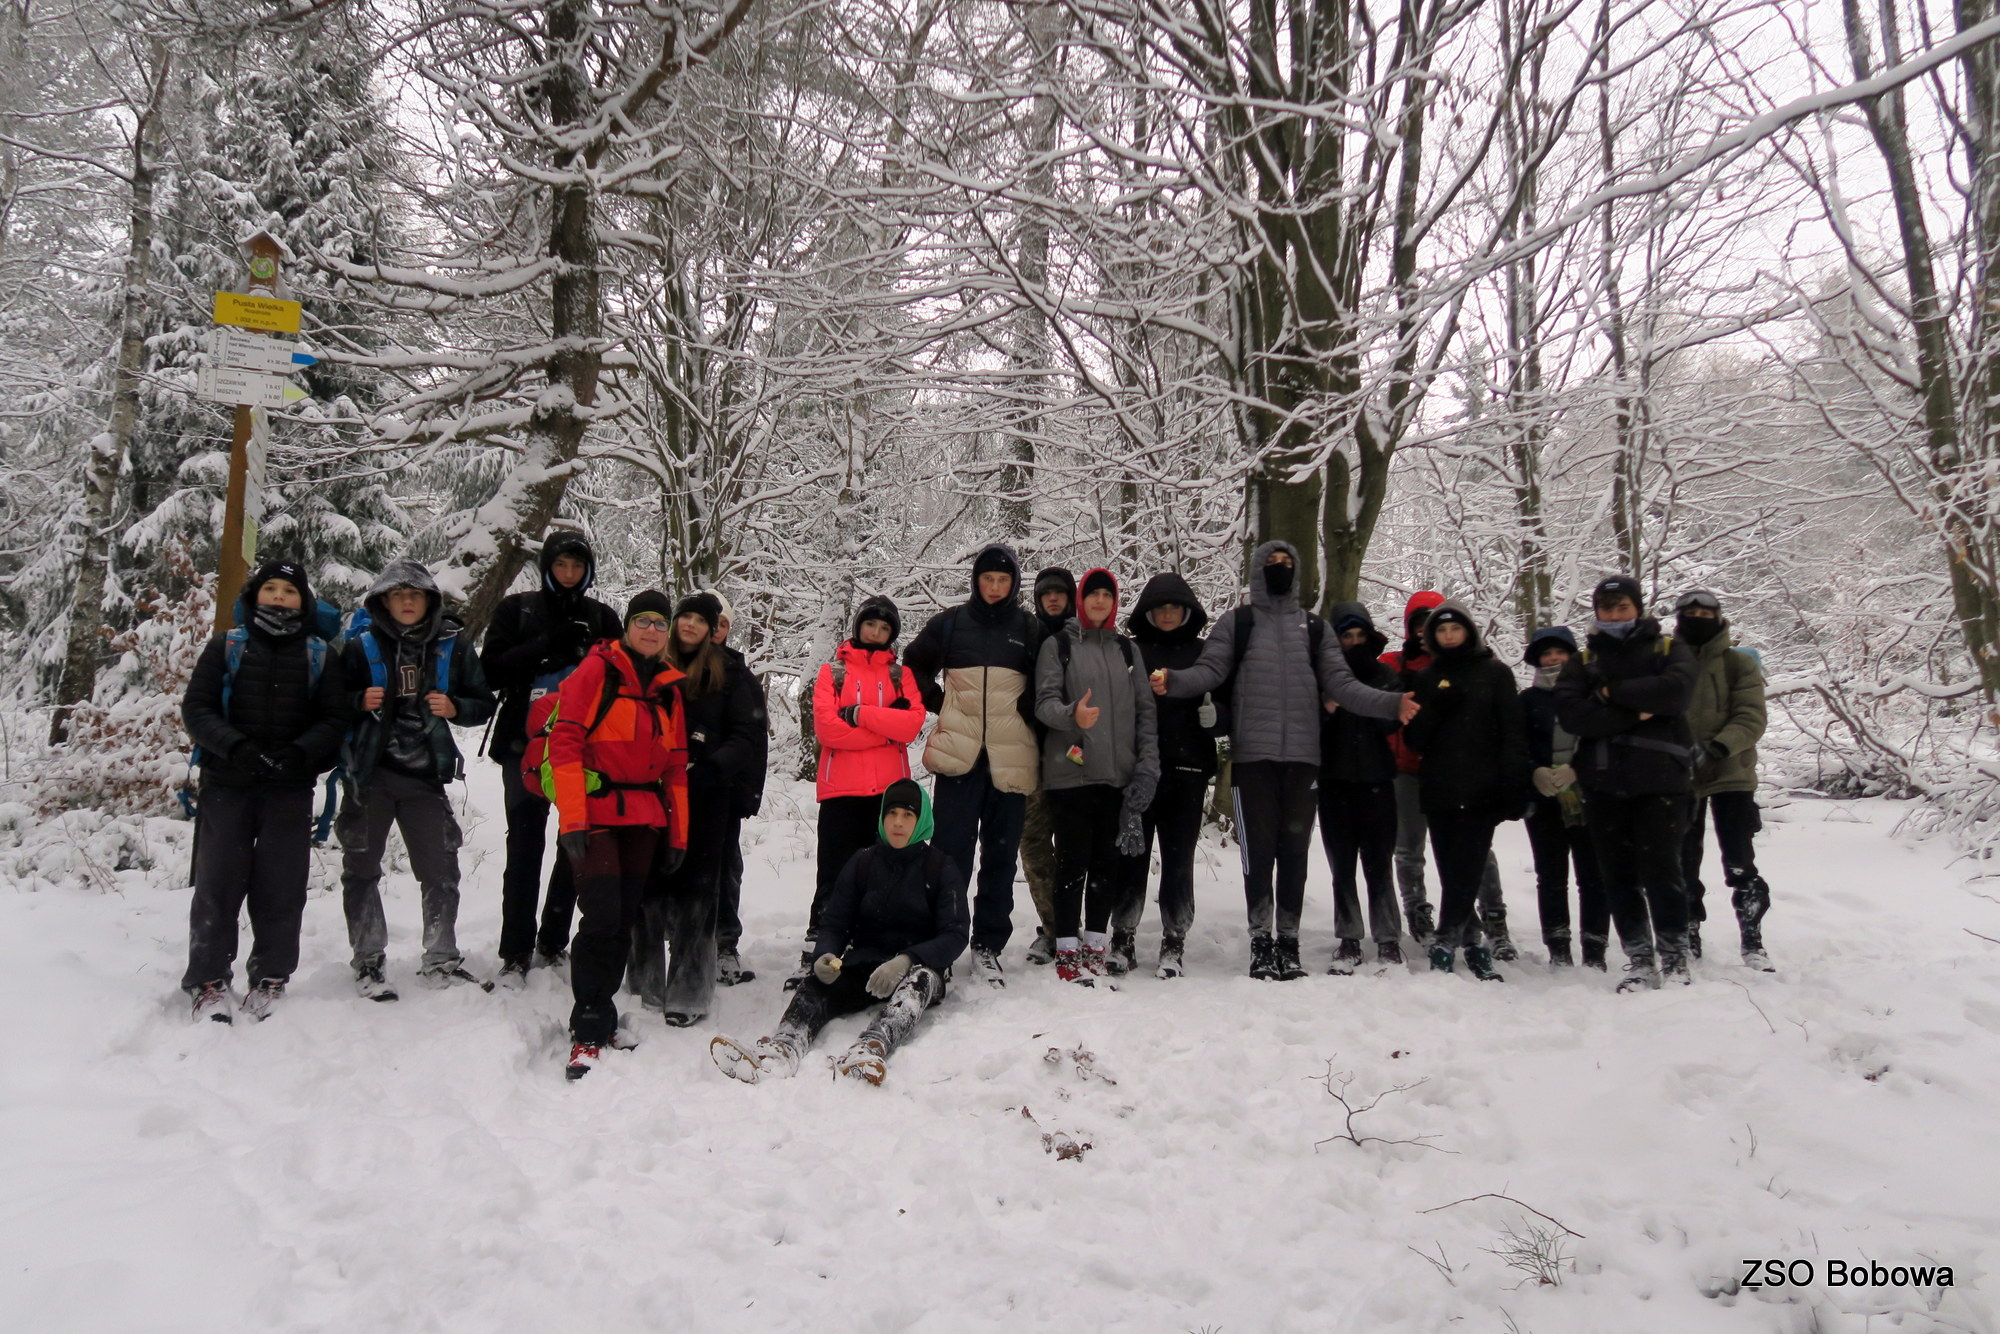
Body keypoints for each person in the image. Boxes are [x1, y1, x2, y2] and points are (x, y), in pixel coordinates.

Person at [1153, 540, 1416, 980]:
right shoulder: (1237, 623)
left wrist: (1390, 705)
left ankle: (1288, 941)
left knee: (1293, 852)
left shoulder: (1314, 630)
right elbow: (1211, 671)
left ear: (1297, 573)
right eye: (1271, 563)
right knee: (1257, 854)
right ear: (1258, 570)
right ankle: (1261, 941)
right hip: (1253, 759)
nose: (1278, 569)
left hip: (1303, 761)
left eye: (1286, 564)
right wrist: (1174, 680)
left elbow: (1343, 684)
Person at [710, 779, 967, 1086]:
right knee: (816, 982)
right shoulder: (863, 862)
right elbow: (835, 922)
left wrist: (907, 959)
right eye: (892, 813)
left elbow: (955, 934)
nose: (898, 822)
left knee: (919, 981)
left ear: (921, 819)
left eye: (908, 815)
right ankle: (781, 1049)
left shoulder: (940, 868)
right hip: (866, 963)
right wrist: (825, 953)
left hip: (919, 968)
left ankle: (873, 1047)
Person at [180, 559, 350, 1022]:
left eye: (289, 591)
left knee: (281, 887)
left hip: (288, 789)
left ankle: (271, 977)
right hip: (227, 785)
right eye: (271, 588)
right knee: (217, 884)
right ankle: (209, 980)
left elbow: (335, 719)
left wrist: (300, 755)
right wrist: (237, 748)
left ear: (304, 601)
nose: (279, 597)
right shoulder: (227, 646)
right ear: (255, 596)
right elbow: (197, 708)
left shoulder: (320, 654)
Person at [336, 559, 496, 999]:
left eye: (416, 595)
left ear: (430, 602)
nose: (407, 602)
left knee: (441, 868)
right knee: (361, 869)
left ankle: (441, 957)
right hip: (370, 775)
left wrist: (456, 708)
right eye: (398, 595)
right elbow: (327, 703)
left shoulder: (452, 646)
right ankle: (368, 959)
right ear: (383, 602)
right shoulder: (360, 645)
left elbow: (484, 702)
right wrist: (355, 699)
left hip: (425, 776)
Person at [548, 592, 690, 1079]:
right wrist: (571, 821)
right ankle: (587, 1027)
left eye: (659, 623)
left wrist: (678, 834)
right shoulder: (597, 671)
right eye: (643, 621)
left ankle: (601, 1014)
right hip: (596, 812)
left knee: (624, 916)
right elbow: (564, 745)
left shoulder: (669, 689)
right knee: (602, 915)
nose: (651, 630)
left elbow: (675, 767)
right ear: (628, 626)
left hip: (645, 818)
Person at [480, 531, 622, 986]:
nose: (568, 575)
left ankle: (553, 940)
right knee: (523, 846)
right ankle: (516, 950)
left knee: (573, 845)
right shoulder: (516, 610)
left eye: (577, 567)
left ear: (588, 571)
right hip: (524, 745)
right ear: (546, 566)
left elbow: (623, 678)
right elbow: (492, 670)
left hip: (583, 750)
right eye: (561, 565)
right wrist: (549, 645)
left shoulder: (602, 616)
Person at [903, 543, 1042, 987]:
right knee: (949, 857)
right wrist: (938, 702)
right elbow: (913, 664)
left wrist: (1030, 709)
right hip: (959, 760)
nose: (995, 587)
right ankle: (946, 939)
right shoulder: (951, 624)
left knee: (1000, 857)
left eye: (1003, 580)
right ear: (976, 581)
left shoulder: (1029, 628)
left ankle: (987, 945)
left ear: (1014, 584)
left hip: (1011, 759)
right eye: (988, 579)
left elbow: (1051, 682)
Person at [1554, 575, 1699, 992]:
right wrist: (1633, 711)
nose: (1615, 615)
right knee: (1617, 876)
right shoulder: (1582, 661)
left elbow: (1675, 693)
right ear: (1596, 611)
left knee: (1663, 871)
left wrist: (1609, 693)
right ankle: (1639, 958)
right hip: (1603, 783)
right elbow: (1573, 715)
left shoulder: (1668, 648)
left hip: (1661, 780)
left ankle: (1674, 958)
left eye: (1622, 607)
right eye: (1607, 608)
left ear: (1637, 607)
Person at [628, 592, 765, 1026]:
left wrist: (711, 771)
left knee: (697, 891)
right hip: (651, 792)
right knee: (646, 888)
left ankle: (689, 992)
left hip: (707, 797)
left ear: (713, 628)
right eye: (683, 616)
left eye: (699, 620)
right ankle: (643, 985)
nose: (689, 625)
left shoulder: (729, 674)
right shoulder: (650, 663)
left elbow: (747, 735)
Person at [789, 594, 926, 990]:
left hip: (888, 792)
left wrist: (861, 715)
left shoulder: (900, 676)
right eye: (871, 625)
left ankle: (875, 941)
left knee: (884, 869)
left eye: (885, 629)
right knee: (835, 869)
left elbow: (911, 725)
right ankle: (822, 942)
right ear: (858, 627)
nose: (877, 633)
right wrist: (883, 732)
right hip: (842, 789)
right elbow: (827, 730)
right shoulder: (833, 673)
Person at [1034, 568, 1160, 982]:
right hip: (1070, 773)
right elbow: (1044, 702)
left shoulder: (1127, 650)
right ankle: (1066, 946)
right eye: (1093, 595)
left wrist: (1145, 763)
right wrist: (1074, 714)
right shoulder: (1059, 645)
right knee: (1074, 862)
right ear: (1081, 601)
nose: (1100, 602)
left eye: (1107, 595)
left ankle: (1094, 943)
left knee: (1108, 864)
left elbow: (1145, 711)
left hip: (1116, 776)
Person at [1381, 590, 1515, 958]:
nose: (1431, 631)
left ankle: (1491, 919)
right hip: (1408, 770)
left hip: (1463, 774)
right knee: (1410, 849)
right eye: (1420, 624)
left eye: (1436, 623)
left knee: (1475, 851)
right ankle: (1419, 913)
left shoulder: (1481, 669)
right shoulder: (1395, 665)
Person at [1403, 602, 1532, 981]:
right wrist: (1434, 709)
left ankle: (1448, 938)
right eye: (1440, 631)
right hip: (1440, 786)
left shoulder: (1495, 673)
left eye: (1454, 630)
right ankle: (1472, 941)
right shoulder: (1427, 679)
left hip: (1483, 787)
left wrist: (1514, 784)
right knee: (1450, 868)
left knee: (1470, 866)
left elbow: (1513, 733)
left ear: (1469, 632)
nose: (1448, 636)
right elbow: (1414, 739)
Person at [1118, 572, 1224, 978]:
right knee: (1132, 855)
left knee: (1179, 859)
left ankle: (1174, 938)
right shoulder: (1130, 651)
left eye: (1174, 607)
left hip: (1188, 769)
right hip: (1138, 771)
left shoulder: (1204, 654)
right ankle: (1123, 934)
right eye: (1159, 607)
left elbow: (1226, 703)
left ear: (1187, 611)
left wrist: (1217, 721)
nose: (1166, 614)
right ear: (1147, 611)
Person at [1674, 590, 1775, 971]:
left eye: (1705, 612)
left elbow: (1751, 716)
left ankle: (1752, 937)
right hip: (1680, 775)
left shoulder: (1739, 664)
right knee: (1682, 860)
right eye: (1691, 613)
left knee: (1739, 861)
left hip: (1732, 774)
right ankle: (1687, 932)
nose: (1698, 618)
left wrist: (1718, 747)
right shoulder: (1667, 661)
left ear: (1718, 617)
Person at [1317, 602, 1405, 973]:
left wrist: (1368, 686)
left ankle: (1388, 939)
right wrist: (1328, 708)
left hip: (1376, 782)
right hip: (1334, 781)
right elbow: (1311, 727)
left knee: (1379, 863)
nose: (1354, 643)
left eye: (1359, 636)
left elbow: (1391, 725)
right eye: (1346, 636)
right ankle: (1348, 937)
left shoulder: (1385, 675)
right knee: (1342, 866)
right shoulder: (1321, 676)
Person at [1520, 626, 1608, 969]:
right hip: (1543, 800)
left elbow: (1601, 738)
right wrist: (1535, 771)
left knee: (1593, 875)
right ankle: (1557, 946)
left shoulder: (1591, 695)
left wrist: (1578, 769)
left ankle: (1595, 947)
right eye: (1546, 654)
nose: (1553, 659)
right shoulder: (1527, 701)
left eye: (1560, 652)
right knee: (1551, 876)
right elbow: (1516, 744)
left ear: (1573, 657)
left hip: (1589, 798)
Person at [704, 591, 769, 987]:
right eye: (711, 622)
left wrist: (750, 792)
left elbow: (754, 737)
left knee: (726, 867)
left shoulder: (739, 674)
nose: (716, 630)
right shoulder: (669, 667)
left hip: (723, 792)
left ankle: (725, 944)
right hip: (675, 790)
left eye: (724, 623)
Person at [1019, 566, 1077, 966]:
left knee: (1076, 846)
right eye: (1046, 594)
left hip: (1075, 757)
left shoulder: (1085, 638)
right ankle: (1054, 927)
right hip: (1029, 756)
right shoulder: (1024, 635)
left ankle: (1077, 927)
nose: (1053, 599)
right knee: (1035, 845)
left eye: (1059, 593)